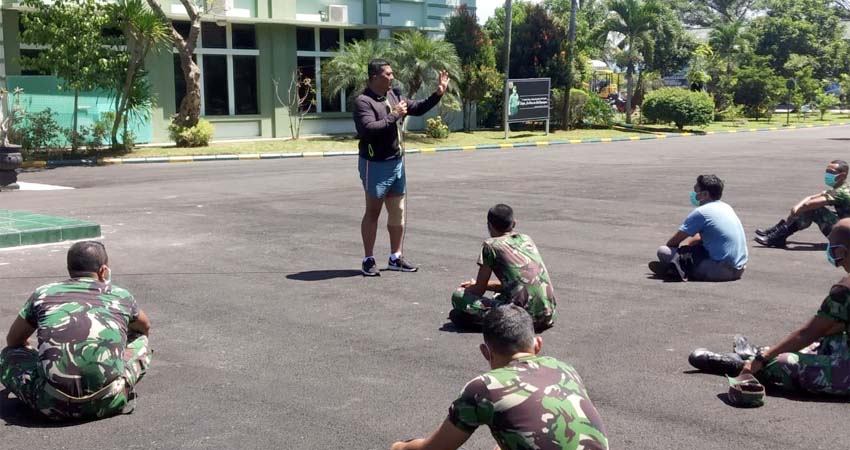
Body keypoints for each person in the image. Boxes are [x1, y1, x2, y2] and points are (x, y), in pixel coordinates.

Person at [390, 305, 608, 450]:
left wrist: (399, 447)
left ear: (486, 352)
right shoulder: (564, 368)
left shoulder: (485, 388)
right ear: (538, 345)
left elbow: (434, 448)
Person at [688, 217, 850, 396]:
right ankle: (761, 355)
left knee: (783, 362)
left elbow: (808, 333)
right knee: (829, 339)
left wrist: (764, 358)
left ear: (843, 252)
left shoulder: (844, 292)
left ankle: (743, 364)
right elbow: (835, 325)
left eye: (834, 251)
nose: (834, 258)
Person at [0, 241, 152, 420]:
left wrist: (33, 352)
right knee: (140, 340)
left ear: (69, 269)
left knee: (9, 354)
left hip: (50, 405)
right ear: (103, 270)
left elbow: (13, 340)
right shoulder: (121, 295)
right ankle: (118, 385)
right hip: (108, 402)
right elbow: (144, 327)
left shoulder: (43, 294)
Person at [354, 58, 450, 276]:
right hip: (375, 164)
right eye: (388, 74)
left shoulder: (393, 95)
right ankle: (368, 259)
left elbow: (417, 108)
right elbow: (369, 129)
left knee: (397, 211)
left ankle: (395, 257)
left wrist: (438, 93)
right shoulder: (363, 102)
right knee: (373, 212)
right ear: (374, 77)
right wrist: (394, 114)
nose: (392, 77)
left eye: (392, 73)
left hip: (396, 162)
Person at [450, 204, 556, 332]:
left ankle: (489, 323)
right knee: (500, 295)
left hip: (520, 320)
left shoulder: (491, 245)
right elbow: (518, 282)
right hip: (547, 315)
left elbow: (479, 290)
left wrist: (472, 288)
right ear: (514, 223)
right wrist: (485, 285)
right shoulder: (526, 239)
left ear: (489, 225)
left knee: (458, 296)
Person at [650, 174, 748, 282]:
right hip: (739, 269)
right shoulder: (726, 207)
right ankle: (676, 267)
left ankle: (676, 269)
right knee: (693, 251)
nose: (694, 194)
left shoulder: (701, 212)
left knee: (663, 251)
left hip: (719, 271)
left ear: (705, 194)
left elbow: (673, 243)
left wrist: (682, 252)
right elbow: (699, 239)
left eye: (696, 190)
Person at [754, 160, 850, 248]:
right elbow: (811, 197)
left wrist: (797, 210)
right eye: (827, 171)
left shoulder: (841, 192)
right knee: (809, 207)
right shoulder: (843, 188)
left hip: (847, 236)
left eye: (831, 172)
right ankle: (778, 232)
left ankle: (779, 235)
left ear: (842, 175)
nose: (828, 174)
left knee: (814, 209)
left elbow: (808, 205)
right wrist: (796, 207)